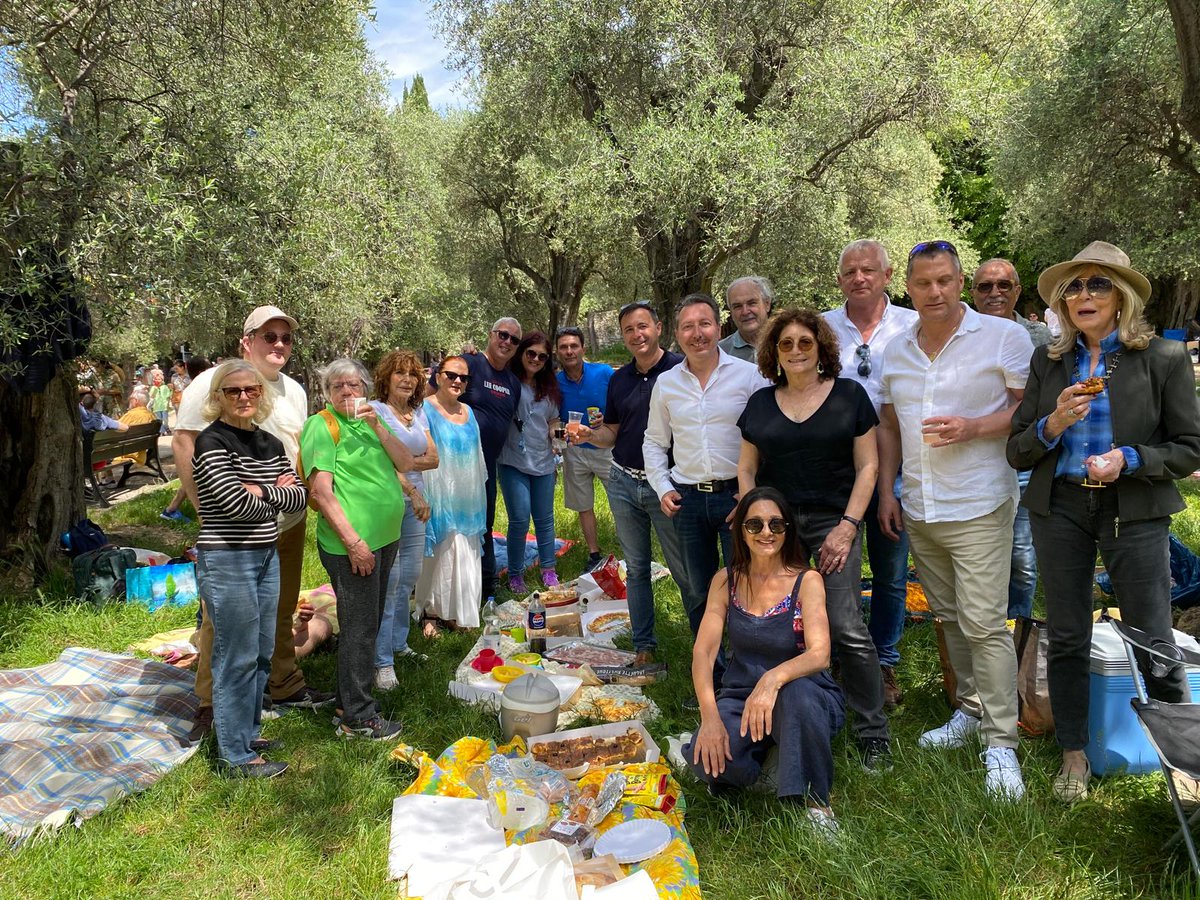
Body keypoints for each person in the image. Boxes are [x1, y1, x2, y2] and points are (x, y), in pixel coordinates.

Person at [1008, 241, 1200, 803]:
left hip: (1133, 508)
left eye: (1097, 284)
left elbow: (1190, 448)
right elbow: (1018, 449)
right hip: (1061, 507)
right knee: (1067, 634)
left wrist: (1130, 458)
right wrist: (1053, 423)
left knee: (1153, 634)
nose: (1083, 295)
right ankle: (1074, 753)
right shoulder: (1049, 362)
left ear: (1123, 298)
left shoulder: (1161, 358)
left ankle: (1180, 762)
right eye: (1074, 287)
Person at [876, 240, 1034, 800]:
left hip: (980, 502)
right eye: (924, 283)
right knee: (947, 617)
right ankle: (969, 710)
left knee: (986, 623)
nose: (935, 291)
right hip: (921, 505)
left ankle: (1001, 745)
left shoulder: (1004, 337)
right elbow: (889, 427)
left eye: (945, 280)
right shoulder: (894, 351)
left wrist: (973, 427)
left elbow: (1025, 411)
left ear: (960, 282)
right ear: (909, 287)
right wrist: (889, 490)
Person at [737, 308, 892, 770]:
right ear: (773, 353)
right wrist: (755, 519)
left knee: (845, 626)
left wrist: (848, 525)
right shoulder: (761, 404)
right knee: (777, 624)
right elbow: (746, 468)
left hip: (833, 521)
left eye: (805, 342)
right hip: (776, 528)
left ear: (821, 347)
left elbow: (869, 466)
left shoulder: (849, 396)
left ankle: (873, 731)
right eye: (786, 344)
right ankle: (779, 718)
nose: (797, 351)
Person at [175, 307, 332, 744]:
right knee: (220, 620)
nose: (279, 344)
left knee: (280, 606)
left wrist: (277, 496)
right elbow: (186, 442)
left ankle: (281, 683)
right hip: (231, 528)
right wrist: (204, 507)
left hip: (287, 521)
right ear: (247, 340)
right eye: (269, 336)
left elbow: (292, 467)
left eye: (285, 337)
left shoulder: (295, 391)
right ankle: (211, 703)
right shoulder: (212, 383)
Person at [684, 487, 845, 832]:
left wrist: (772, 680)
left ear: (788, 530)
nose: (767, 532)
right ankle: (773, 761)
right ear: (740, 530)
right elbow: (704, 651)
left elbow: (820, 654)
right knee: (707, 762)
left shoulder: (807, 580)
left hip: (804, 693)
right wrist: (709, 718)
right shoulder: (725, 581)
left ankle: (816, 805)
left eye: (776, 524)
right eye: (755, 525)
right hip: (741, 697)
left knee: (797, 697)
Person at [644, 293, 771, 698]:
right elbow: (653, 442)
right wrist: (662, 487)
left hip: (738, 500)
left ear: (719, 328)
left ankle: (748, 671)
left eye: (704, 324)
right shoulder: (666, 384)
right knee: (698, 590)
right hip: (687, 499)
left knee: (747, 587)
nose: (697, 334)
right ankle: (712, 675)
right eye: (687, 326)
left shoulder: (748, 375)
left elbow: (767, 435)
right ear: (677, 334)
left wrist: (750, 495)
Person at [191, 360, 308, 777]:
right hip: (227, 559)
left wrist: (258, 490)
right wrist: (270, 491)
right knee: (235, 656)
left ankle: (246, 732)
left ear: (262, 395)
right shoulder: (211, 441)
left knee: (259, 652)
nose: (243, 397)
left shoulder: (271, 444)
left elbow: (299, 499)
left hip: (265, 555)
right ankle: (235, 756)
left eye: (251, 390)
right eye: (233, 391)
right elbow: (232, 505)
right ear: (218, 397)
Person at [822, 239, 918, 710]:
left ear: (887, 275)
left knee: (890, 570)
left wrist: (889, 486)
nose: (859, 278)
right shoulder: (823, 327)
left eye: (868, 270)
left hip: (896, 466)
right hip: (836, 469)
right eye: (850, 271)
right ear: (839, 279)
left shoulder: (912, 324)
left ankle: (883, 659)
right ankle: (838, 655)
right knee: (833, 568)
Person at [300, 358, 415, 740]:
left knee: (369, 621)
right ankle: (358, 717)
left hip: (385, 538)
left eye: (354, 385)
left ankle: (349, 700)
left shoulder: (371, 422)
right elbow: (321, 491)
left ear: (365, 388)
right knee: (360, 628)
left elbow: (406, 461)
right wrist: (354, 542)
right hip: (353, 545)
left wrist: (378, 426)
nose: (348, 393)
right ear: (327, 393)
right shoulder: (322, 425)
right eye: (339, 387)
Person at [573, 302, 692, 667]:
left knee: (686, 569)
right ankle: (644, 647)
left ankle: (706, 645)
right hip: (623, 482)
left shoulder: (681, 370)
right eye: (628, 329)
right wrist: (589, 435)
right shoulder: (619, 379)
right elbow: (612, 433)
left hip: (668, 488)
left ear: (658, 327)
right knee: (637, 569)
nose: (637, 335)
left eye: (643, 326)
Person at [971, 258, 1051, 620]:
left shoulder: (1042, 339)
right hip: (973, 460)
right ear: (972, 293)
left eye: (1004, 285)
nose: (995, 293)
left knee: (1021, 552)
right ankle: (981, 626)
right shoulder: (962, 335)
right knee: (978, 551)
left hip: (1024, 460)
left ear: (1018, 290)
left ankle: (1016, 628)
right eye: (985, 286)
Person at [435, 318, 522, 603]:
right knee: (447, 525)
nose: (507, 342)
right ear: (490, 335)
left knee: (482, 525)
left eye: (514, 339)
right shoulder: (469, 363)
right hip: (453, 464)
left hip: (486, 468)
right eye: (502, 335)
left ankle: (485, 588)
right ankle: (441, 595)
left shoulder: (512, 382)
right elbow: (431, 397)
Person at [370, 351, 437, 690]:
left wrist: (404, 462)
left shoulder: (418, 412)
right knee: (390, 580)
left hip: (417, 504)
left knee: (409, 576)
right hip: (391, 502)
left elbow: (434, 458)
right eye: (399, 373)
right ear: (386, 377)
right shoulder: (375, 411)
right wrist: (410, 479)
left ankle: (399, 644)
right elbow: (382, 465)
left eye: (412, 374)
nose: (407, 379)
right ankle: (381, 662)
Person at [416, 355, 488, 634]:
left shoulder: (469, 413)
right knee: (440, 554)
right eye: (451, 375)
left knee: (465, 549)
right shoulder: (424, 409)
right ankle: (431, 613)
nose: (457, 381)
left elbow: (477, 457)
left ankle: (458, 612)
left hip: (467, 495)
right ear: (437, 376)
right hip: (438, 491)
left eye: (464, 378)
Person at [498, 332, 562, 592]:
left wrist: (557, 435)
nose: (535, 359)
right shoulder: (508, 382)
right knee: (520, 520)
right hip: (513, 461)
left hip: (544, 461)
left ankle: (549, 571)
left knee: (545, 520)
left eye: (542, 356)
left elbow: (553, 421)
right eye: (531, 353)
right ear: (522, 352)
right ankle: (515, 574)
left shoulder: (549, 388)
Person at [555, 326, 614, 571]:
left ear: (583, 349)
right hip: (574, 451)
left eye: (573, 346)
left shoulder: (604, 373)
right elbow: (552, 417)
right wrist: (559, 443)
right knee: (583, 505)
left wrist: (607, 419)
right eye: (563, 347)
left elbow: (620, 403)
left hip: (605, 447)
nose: (569, 351)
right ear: (557, 352)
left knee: (620, 501)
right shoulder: (554, 382)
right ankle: (594, 554)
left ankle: (632, 552)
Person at [162, 357, 212, 523]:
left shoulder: (192, 388)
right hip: (200, 440)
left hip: (195, 439)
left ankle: (171, 509)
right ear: (204, 371)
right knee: (194, 474)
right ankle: (204, 522)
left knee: (192, 475)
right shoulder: (204, 387)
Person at [718, 276, 775, 363]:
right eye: (737, 306)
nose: (745, 312)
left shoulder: (788, 344)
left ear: (767, 304)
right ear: (731, 312)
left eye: (752, 303)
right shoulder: (720, 353)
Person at [108, 386, 157, 467]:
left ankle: (109, 479)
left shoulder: (132, 415)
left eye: (131, 398)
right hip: (140, 450)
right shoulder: (151, 415)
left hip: (126, 451)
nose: (129, 400)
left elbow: (114, 428)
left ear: (136, 401)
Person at [149, 370, 172, 435]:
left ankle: (166, 428)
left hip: (164, 406)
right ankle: (162, 431)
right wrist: (155, 389)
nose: (157, 380)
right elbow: (152, 396)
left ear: (162, 380)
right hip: (156, 407)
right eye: (156, 379)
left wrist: (170, 390)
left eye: (159, 379)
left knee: (165, 420)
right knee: (159, 420)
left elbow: (168, 396)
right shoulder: (153, 388)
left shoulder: (165, 387)